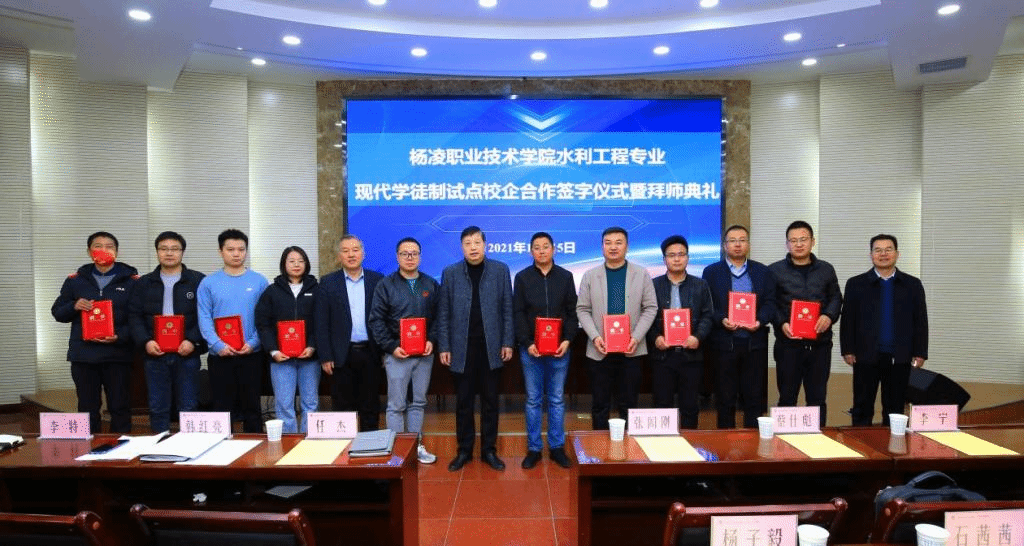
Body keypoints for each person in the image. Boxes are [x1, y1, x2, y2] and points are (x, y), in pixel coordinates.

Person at [437, 226, 514, 472]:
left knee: (491, 402)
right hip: (462, 348)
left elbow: (507, 309)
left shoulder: (500, 270)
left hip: (492, 347)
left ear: (485, 245)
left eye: (477, 242)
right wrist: (444, 345)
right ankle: (464, 451)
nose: (473, 247)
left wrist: (507, 341)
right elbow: (443, 312)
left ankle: (489, 450)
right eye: (468, 243)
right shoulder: (450, 273)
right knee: (464, 402)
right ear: (462, 247)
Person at [51, 232, 138, 433]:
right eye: (98, 246)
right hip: (84, 356)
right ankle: (88, 448)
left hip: (118, 354)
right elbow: (58, 312)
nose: (104, 250)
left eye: (109, 246)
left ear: (117, 251)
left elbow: (138, 318)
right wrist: (74, 306)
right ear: (89, 251)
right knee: (87, 407)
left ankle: (122, 446)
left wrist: (120, 336)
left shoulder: (132, 281)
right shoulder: (75, 281)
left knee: (120, 406)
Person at [841, 234, 928, 426]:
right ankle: (861, 444)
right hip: (865, 356)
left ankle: (894, 444)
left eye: (888, 250)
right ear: (871, 255)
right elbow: (848, 320)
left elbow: (921, 321)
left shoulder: (912, 284)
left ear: (897, 254)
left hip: (900, 357)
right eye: (878, 250)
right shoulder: (856, 284)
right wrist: (847, 349)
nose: (883, 254)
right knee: (862, 406)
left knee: (894, 408)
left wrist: (920, 352)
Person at [576, 227, 657, 431]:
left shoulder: (641, 274)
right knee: (600, 404)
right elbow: (582, 309)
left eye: (618, 242)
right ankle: (598, 446)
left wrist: (636, 337)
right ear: (602, 247)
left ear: (627, 246)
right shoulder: (590, 275)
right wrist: (595, 337)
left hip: (631, 350)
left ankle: (629, 446)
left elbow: (650, 308)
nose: (613, 247)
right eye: (608, 243)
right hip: (599, 350)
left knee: (628, 404)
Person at [369, 237, 440, 464]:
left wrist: (432, 340)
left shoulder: (430, 284)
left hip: (424, 355)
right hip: (397, 354)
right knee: (396, 405)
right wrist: (391, 346)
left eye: (414, 253)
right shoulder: (386, 285)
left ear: (420, 256)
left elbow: (439, 317)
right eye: (405, 254)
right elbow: (376, 320)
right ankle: (398, 451)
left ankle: (416, 447)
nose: (410, 258)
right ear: (397, 257)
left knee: (419, 403)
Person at [128, 231, 206, 433]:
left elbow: (206, 315)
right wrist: (146, 341)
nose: (169, 253)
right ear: (157, 252)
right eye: (163, 249)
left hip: (187, 352)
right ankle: (160, 444)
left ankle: (190, 445)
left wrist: (192, 340)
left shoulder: (198, 281)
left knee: (188, 405)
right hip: (155, 353)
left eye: (174, 249)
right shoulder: (143, 283)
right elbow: (134, 316)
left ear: (182, 252)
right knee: (157, 406)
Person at [513, 232, 578, 469]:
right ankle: (534, 448)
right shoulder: (522, 277)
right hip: (531, 350)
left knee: (557, 399)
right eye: (537, 247)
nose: (541, 251)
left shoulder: (565, 276)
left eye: (546, 246)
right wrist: (527, 342)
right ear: (531, 252)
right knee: (533, 400)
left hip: (560, 349)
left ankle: (557, 447)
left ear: (554, 249)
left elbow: (572, 312)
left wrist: (567, 340)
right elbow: (518, 313)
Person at [702, 225, 776, 428]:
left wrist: (759, 320)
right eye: (732, 240)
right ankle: (725, 439)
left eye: (742, 240)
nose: (737, 244)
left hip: (754, 344)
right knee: (725, 398)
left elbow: (771, 302)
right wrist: (722, 319)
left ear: (748, 244)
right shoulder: (711, 272)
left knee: (754, 398)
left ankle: (754, 440)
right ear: (724, 245)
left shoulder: (762, 271)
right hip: (724, 344)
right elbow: (707, 305)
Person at [769, 221, 842, 425]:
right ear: (787, 244)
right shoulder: (774, 271)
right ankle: (783, 440)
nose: (799, 244)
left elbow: (836, 298)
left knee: (817, 399)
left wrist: (828, 316)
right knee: (787, 398)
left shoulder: (826, 269)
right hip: (788, 346)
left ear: (812, 241)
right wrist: (781, 323)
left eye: (803, 239)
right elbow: (770, 303)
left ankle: (818, 440)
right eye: (793, 240)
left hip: (820, 346)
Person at [197, 229, 269, 433]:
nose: (236, 254)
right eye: (230, 249)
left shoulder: (259, 281)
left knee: (252, 407)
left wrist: (253, 343)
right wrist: (217, 345)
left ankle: (255, 447)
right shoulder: (208, 283)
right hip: (220, 355)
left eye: (241, 249)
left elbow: (265, 318)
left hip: (251, 354)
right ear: (220, 251)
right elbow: (204, 317)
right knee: (222, 407)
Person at [315, 235, 383, 432]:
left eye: (355, 250)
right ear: (339, 256)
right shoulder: (328, 282)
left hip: (371, 352)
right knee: (343, 408)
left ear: (363, 253)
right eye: (345, 251)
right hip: (340, 355)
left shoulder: (377, 280)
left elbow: (384, 317)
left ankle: (369, 445)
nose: (351, 254)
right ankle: (345, 447)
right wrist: (325, 356)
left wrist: (384, 350)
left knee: (370, 406)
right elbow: (321, 322)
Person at [646, 235, 713, 429]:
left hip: (691, 355)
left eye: (681, 254)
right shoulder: (653, 285)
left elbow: (708, 315)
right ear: (664, 259)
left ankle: (689, 443)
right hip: (662, 355)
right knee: (662, 406)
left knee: (690, 406)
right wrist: (655, 338)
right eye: (671, 255)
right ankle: (663, 445)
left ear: (687, 258)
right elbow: (646, 315)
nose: (677, 259)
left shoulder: (700, 285)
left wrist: (697, 337)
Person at [255, 246, 319, 434]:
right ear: (284, 264)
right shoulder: (272, 291)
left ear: (306, 263)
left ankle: (309, 441)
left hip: (310, 357)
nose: (296, 264)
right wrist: (273, 350)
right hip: (281, 358)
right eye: (291, 261)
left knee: (311, 403)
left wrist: (312, 346)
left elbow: (321, 322)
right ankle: (289, 443)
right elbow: (263, 323)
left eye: (300, 261)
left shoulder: (317, 289)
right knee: (284, 405)